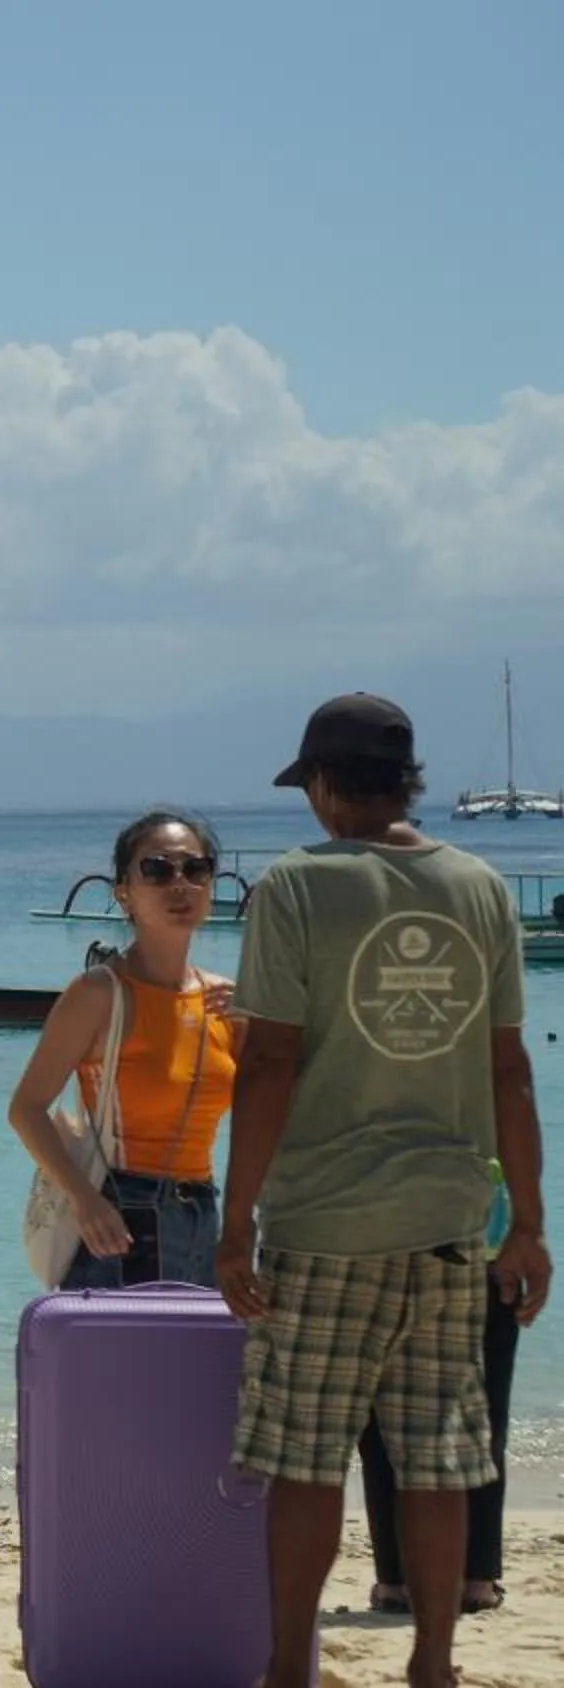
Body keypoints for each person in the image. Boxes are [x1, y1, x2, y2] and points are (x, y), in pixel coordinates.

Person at [217, 693, 547, 1688]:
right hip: (449, 1221)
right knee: (437, 1456)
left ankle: (288, 1668)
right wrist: (527, 1223)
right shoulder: (481, 886)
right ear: (405, 781)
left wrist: (235, 1224)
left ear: (322, 786)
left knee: (308, 1454)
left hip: (324, 1223)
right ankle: (435, 1664)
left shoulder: (294, 887)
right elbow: (509, 1071)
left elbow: (269, 1060)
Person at [4, 811, 244, 1288]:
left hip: (203, 1213)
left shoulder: (225, 999)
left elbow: (282, 1105)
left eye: (196, 870)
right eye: (157, 869)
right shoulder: (99, 993)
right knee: (120, 1363)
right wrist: (84, 1200)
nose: (180, 884)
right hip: (121, 1214)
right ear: (123, 893)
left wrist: (261, 1023)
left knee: (195, 1365)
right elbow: (26, 1109)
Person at [360, 1161, 524, 1617]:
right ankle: (476, 1577)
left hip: (383, 1249)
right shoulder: (491, 1091)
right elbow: (515, 1149)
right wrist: (526, 1237)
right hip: (481, 1247)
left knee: (383, 1427)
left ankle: (397, 1581)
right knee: (485, 1418)